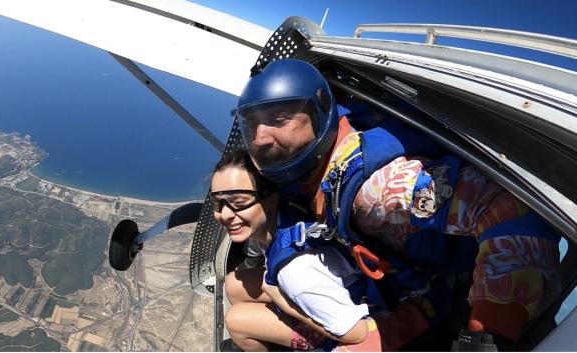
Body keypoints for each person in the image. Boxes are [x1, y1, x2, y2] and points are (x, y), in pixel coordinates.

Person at [235, 58, 562, 350]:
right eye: (254, 124)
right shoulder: (321, 166)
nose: (262, 137)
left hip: (434, 303)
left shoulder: (377, 192)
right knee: (238, 288)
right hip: (392, 287)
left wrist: (485, 335)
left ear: (319, 111)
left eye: (279, 119)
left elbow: (504, 209)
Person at [211, 150, 383, 351]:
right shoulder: (280, 212)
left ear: (271, 199)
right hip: (330, 283)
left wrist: (284, 303)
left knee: (236, 321)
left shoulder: (295, 272)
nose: (225, 214)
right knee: (233, 283)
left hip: (343, 313)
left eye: (239, 203)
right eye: (218, 202)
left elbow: (357, 332)